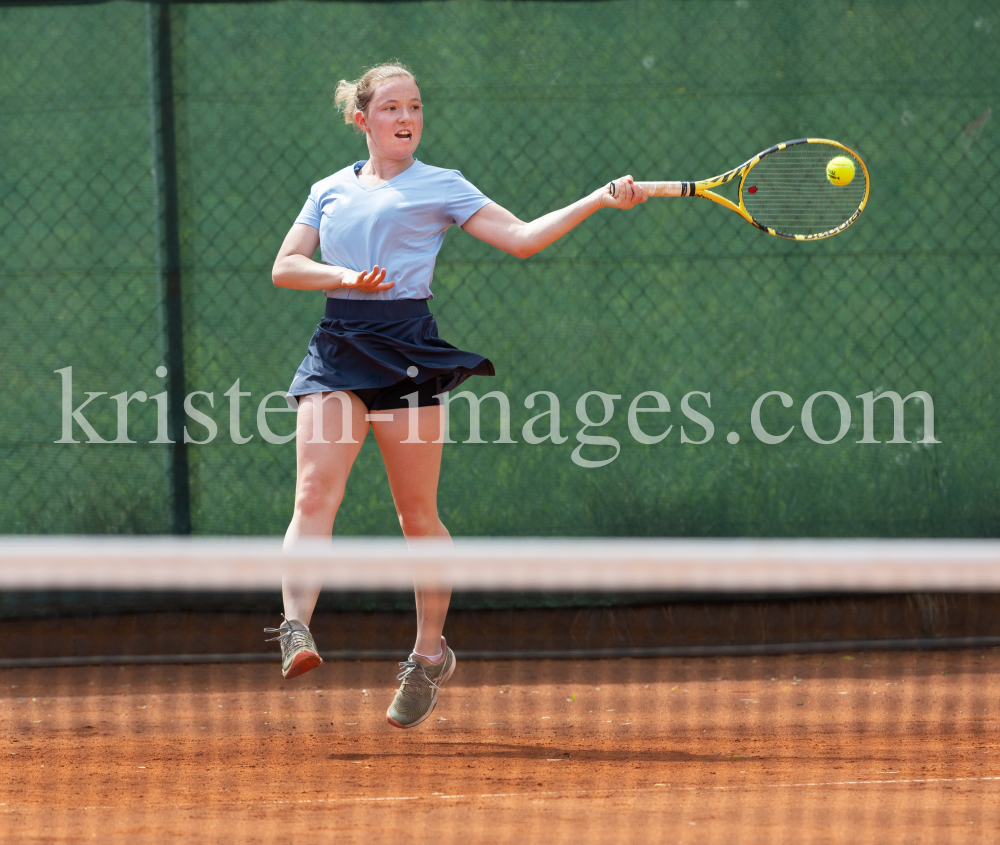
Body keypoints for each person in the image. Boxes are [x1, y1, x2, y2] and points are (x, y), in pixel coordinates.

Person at [266, 62, 646, 729]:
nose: (405, 118)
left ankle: (428, 654)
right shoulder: (327, 190)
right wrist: (345, 275)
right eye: (389, 108)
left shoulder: (443, 186)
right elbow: (285, 267)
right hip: (338, 344)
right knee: (312, 493)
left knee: (417, 513)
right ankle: (295, 625)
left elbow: (522, 238)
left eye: (414, 106)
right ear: (361, 119)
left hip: (409, 351)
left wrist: (596, 199)